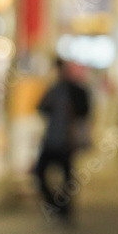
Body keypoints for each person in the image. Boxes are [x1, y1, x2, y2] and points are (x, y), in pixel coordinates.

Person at [34, 57, 91, 225]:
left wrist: (73, 110)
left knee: (67, 177)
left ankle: (65, 210)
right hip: (52, 139)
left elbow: (85, 111)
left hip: (67, 140)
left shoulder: (76, 90)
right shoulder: (53, 89)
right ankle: (56, 205)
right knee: (40, 173)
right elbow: (40, 107)